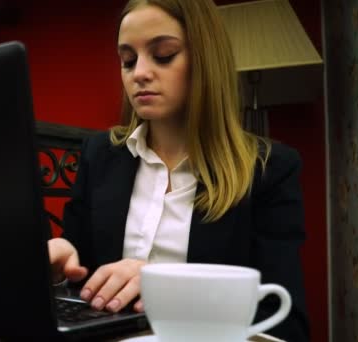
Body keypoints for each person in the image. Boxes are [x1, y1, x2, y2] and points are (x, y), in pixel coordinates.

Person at [47, 0, 310, 341]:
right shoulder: (99, 156)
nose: (139, 72)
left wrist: (164, 286)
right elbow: (80, 284)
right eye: (128, 60)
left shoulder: (269, 170)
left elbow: (285, 323)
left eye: (163, 55)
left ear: (204, 60)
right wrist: (60, 272)